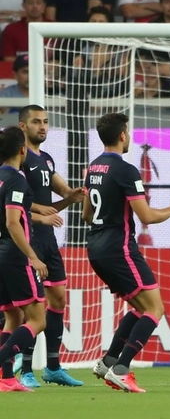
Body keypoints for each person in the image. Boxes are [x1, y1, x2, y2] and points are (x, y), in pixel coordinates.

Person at [82, 113, 170, 393]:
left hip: (95, 247)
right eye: (127, 132)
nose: (128, 136)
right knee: (155, 309)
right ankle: (122, 368)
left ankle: (108, 361)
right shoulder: (127, 170)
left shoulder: (93, 167)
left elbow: (85, 214)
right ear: (121, 136)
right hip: (119, 248)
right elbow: (147, 216)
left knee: (140, 307)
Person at [17, 105, 85, 388]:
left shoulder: (45, 159)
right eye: (36, 122)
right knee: (32, 309)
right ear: (23, 127)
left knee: (58, 300)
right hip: (26, 239)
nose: (42, 127)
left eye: (45, 122)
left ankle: (54, 367)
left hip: (49, 241)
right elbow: (15, 200)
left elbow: (64, 193)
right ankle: (27, 370)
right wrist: (41, 213)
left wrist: (76, 195)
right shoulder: (16, 160)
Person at [0, 127, 47, 392]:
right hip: (16, 256)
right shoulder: (17, 180)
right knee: (38, 319)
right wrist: (33, 257)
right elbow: (12, 222)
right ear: (21, 151)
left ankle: (6, 378)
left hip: (1, 255)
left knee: (12, 318)